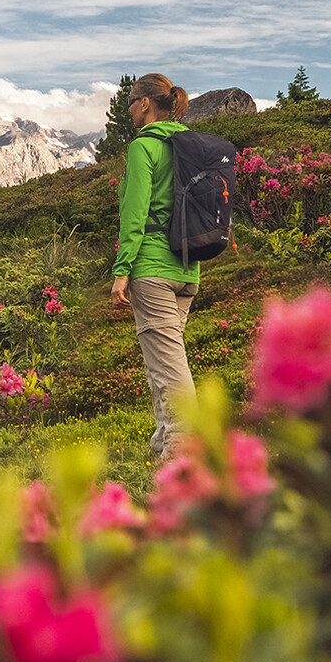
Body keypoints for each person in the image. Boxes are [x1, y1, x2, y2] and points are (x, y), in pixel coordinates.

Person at [111, 74, 197, 458]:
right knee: (162, 360)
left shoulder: (143, 147)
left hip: (152, 268)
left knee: (169, 366)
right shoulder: (187, 143)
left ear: (146, 103)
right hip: (188, 267)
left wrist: (122, 269)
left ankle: (183, 452)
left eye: (131, 100)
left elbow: (135, 213)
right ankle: (163, 439)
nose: (127, 108)